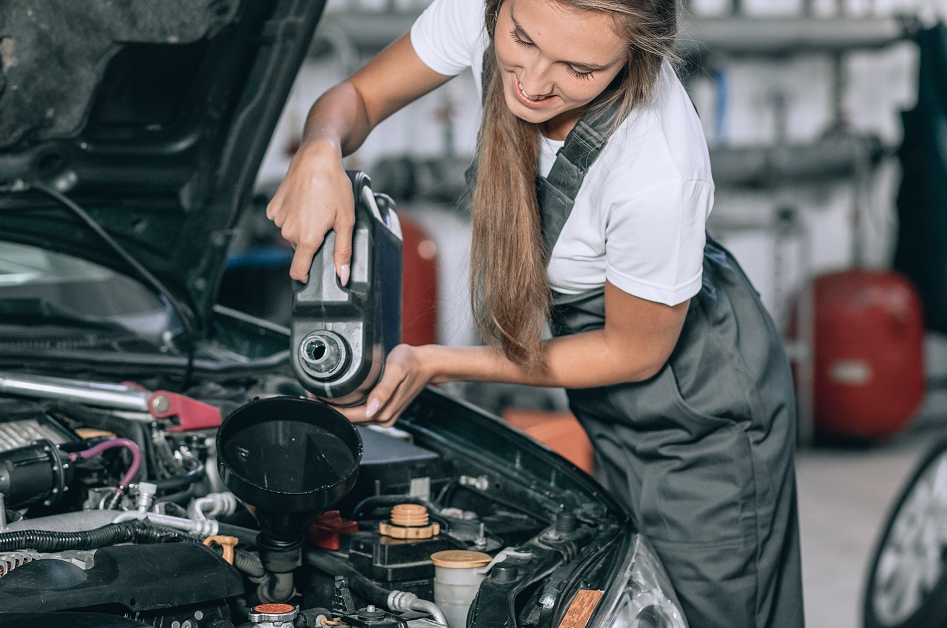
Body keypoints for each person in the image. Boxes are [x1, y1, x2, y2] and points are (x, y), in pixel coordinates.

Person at [265, 0, 804, 625]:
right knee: (629, 590)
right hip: (598, 374)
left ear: (638, 54)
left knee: (705, 608)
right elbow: (356, 99)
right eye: (520, 37)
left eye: (578, 68)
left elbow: (635, 352)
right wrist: (319, 149)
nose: (534, 80)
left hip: (698, 402)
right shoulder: (482, 14)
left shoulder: (656, 168)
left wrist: (437, 363)